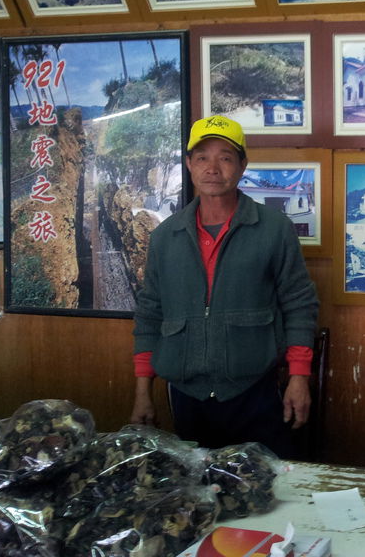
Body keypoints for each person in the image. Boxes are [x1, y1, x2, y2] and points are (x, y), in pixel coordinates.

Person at [130, 115, 320, 457]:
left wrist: (299, 377)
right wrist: (143, 391)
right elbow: (149, 314)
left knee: (265, 478)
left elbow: (299, 304)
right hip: (186, 393)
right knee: (196, 480)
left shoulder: (274, 228)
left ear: (243, 165)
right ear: (189, 164)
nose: (213, 168)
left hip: (256, 389)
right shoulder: (165, 237)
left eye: (226, 158)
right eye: (202, 157)